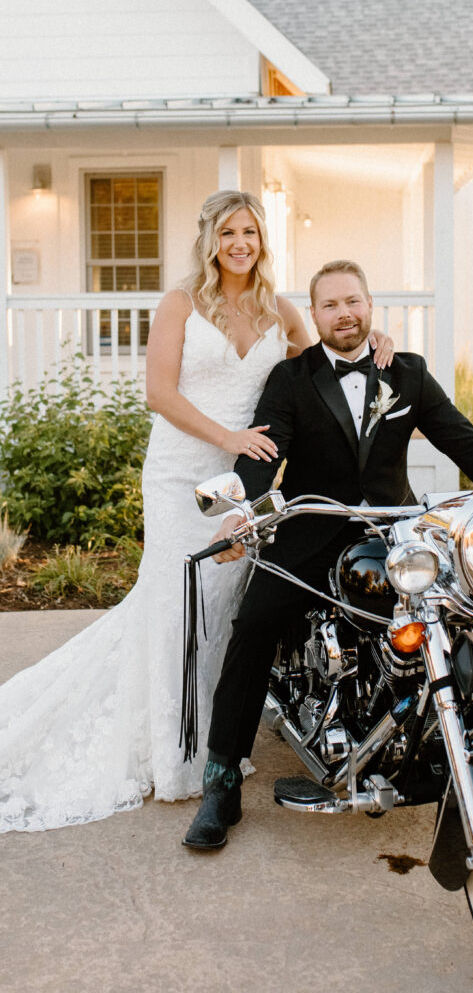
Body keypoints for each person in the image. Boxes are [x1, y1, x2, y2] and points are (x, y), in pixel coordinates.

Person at [0, 195, 394, 833]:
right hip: (183, 472)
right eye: (228, 232)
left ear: (263, 239)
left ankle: (217, 741)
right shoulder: (181, 301)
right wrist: (229, 436)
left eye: (251, 232)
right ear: (210, 238)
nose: (240, 242)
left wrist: (375, 335)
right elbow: (158, 391)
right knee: (178, 601)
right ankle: (174, 750)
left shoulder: (278, 307)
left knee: (226, 605)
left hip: (246, 485)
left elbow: (326, 356)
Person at [182, 258, 473, 850]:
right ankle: (221, 781)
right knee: (257, 623)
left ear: (370, 306)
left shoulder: (408, 373)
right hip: (313, 528)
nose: (345, 313)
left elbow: (465, 441)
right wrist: (244, 508)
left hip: (396, 533)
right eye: (330, 305)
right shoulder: (292, 378)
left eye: (354, 302)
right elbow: (265, 451)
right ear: (314, 315)